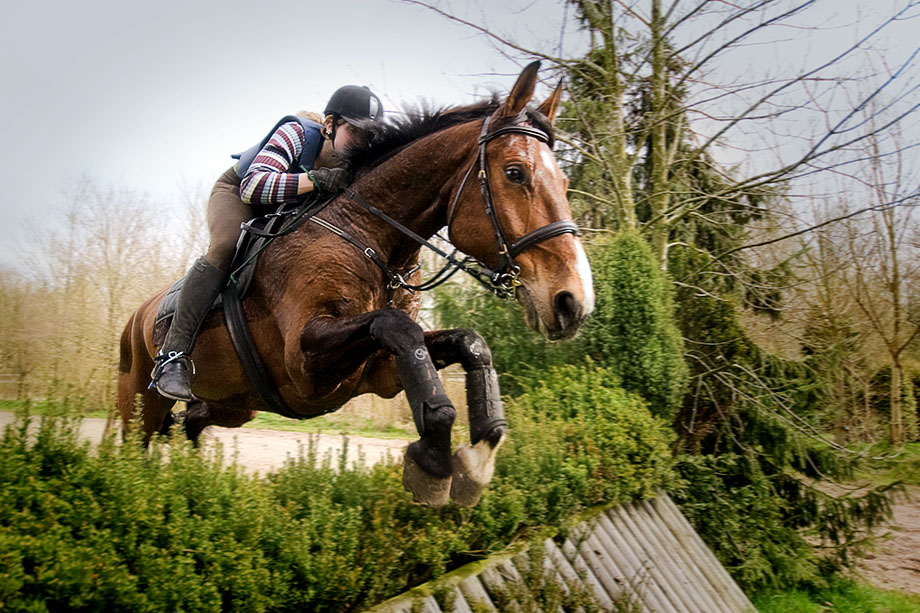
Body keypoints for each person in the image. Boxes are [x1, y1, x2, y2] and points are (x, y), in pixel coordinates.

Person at [151, 85, 384, 401]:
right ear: (329, 125)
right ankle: (172, 357)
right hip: (239, 194)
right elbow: (253, 187)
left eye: (369, 136)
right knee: (226, 246)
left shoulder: (357, 160)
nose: (362, 143)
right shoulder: (295, 133)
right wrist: (315, 180)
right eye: (355, 132)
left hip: (284, 207)